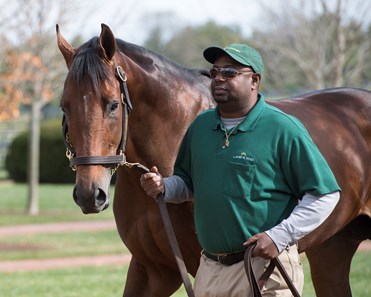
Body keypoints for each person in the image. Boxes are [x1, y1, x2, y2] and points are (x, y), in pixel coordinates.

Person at [140, 43, 340, 297]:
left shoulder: (283, 128)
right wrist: (163, 187)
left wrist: (280, 235)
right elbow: (188, 184)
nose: (219, 78)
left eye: (230, 73)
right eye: (214, 73)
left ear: (254, 80)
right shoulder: (200, 127)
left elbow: (325, 195)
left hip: (266, 269)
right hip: (210, 270)